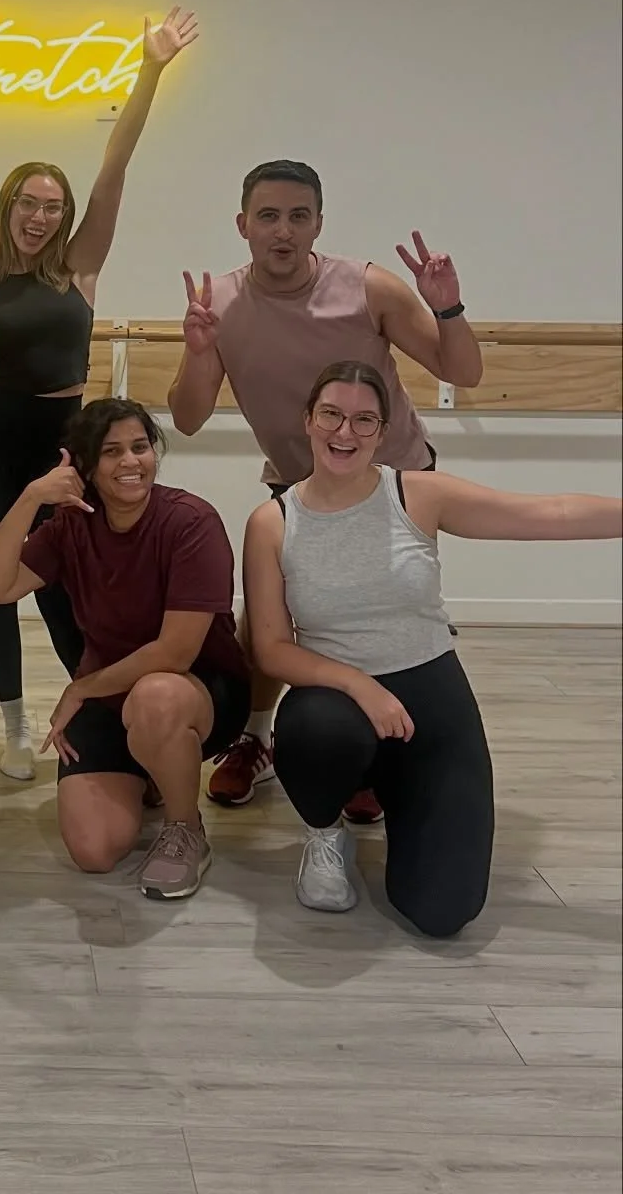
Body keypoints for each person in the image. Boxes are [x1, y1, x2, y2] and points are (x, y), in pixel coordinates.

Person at [243, 360, 621, 936]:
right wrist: (357, 683)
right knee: (318, 729)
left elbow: (549, 513)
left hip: (429, 690)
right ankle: (325, 832)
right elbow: (270, 648)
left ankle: (396, 793)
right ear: (308, 421)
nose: (345, 433)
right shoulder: (272, 522)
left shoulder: (416, 494)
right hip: (336, 702)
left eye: (364, 420)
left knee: (444, 912)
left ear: (384, 430)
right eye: (332, 416)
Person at [0, 7, 200, 782]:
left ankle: (94, 703)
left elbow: (115, 164)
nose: (41, 217)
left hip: (65, 443)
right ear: (7, 208)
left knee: (67, 585)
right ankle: (15, 727)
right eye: (29, 204)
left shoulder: (80, 268)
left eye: (53, 206)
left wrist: (148, 68)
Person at [168, 158, 484, 819]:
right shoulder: (219, 302)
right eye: (269, 216)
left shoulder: (370, 288)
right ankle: (256, 740)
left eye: (298, 216)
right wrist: (200, 351)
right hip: (297, 485)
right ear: (243, 225)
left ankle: (366, 755)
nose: (283, 231)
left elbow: (464, 371)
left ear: (318, 223)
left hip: (392, 482)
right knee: (267, 617)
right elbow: (189, 417)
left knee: (369, 620)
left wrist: (446, 304)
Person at [0, 398, 249, 899]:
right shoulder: (70, 526)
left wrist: (81, 687)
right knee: (95, 851)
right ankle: (153, 771)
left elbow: (175, 654)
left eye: (140, 447)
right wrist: (31, 498)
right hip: (112, 694)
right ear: (84, 467)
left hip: (200, 693)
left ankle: (185, 827)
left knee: (155, 697)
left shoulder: (191, 521)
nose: (130, 462)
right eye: (111, 452)